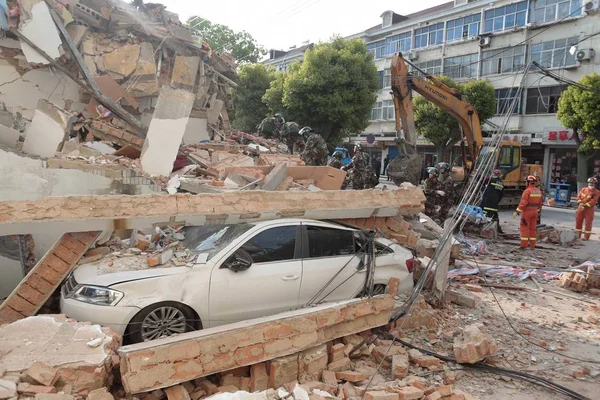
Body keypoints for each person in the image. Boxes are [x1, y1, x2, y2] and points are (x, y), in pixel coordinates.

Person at [513, 175, 543, 249]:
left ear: (528, 182)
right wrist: (537, 211)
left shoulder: (527, 191)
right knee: (533, 228)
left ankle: (524, 246)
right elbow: (540, 204)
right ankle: (532, 246)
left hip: (527, 211)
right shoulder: (538, 191)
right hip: (535, 211)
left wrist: (517, 211)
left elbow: (523, 203)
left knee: (524, 228)